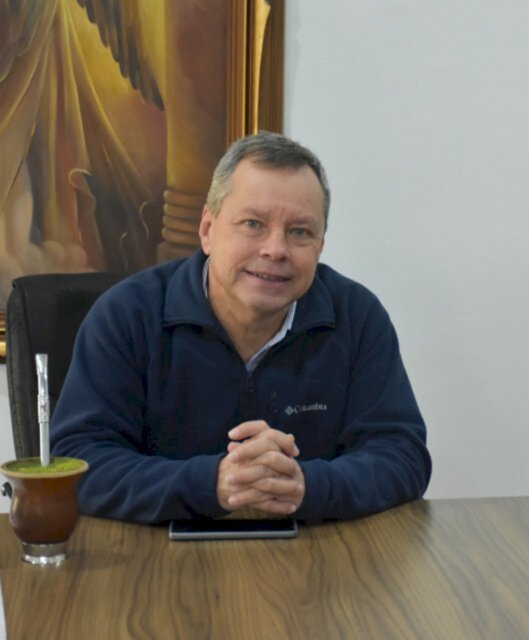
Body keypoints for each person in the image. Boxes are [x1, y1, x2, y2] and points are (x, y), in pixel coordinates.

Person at [50, 132, 431, 524]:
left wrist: (306, 485)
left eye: (300, 232)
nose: (275, 249)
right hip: (157, 567)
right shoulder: (125, 315)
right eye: (252, 224)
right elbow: (78, 463)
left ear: (320, 244)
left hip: (317, 567)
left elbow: (402, 457)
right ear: (207, 230)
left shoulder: (357, 316)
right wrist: (211, 484)